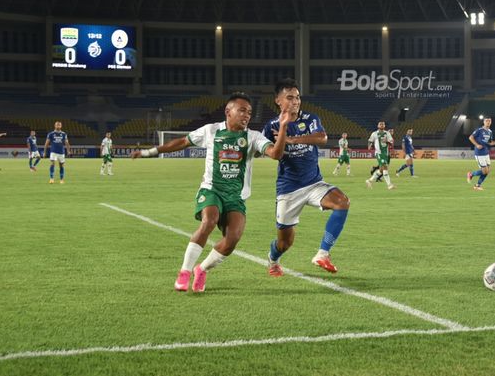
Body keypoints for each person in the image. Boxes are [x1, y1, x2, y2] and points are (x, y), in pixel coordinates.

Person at [133, 92, 290, 293]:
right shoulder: (211, 131)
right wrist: (149, 152)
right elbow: (182, 142)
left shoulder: (253, 137)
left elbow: (276, 154)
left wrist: (283, 126)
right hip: (211, 189)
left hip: (236, 196)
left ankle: (202, 269)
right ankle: (184, 271)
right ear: (228, 111)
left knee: (232, 240)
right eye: (242, 110)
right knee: (209, 220)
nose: (246, 116)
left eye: (249, 112)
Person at [263, 78, 350, 276]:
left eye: (298, 97)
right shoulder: (270, 127)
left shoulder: (310, 119)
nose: (295, 101)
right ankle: (273, 258)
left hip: (314, 183)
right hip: (288, 189)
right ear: (278, 100)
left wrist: (292, 139)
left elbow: (322, 138)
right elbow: (266, 151)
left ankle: (322, 254)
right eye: (290, 98)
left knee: (342, 202)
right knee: (285, 243)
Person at [467, 116, 495, 191]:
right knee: (484, 171)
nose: (488, 122)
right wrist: (477, 145)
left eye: (489, 121)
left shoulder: (490, 132)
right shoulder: (479, 130)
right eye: (486, 121)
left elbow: (490, 143)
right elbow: (470, 137)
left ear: (491, 122)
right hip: (479, 153)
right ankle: (471, 174)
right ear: (484, 122)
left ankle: (477, 185)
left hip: (486, 153)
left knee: (487, 171)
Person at [366, 121, 395, 190]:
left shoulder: (387, 133)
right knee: (385, 167)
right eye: (380, 124)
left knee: (381, 170)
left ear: (384, 126)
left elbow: (391, 143)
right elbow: (370, 141)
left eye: (383, 124)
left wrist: (387, 141)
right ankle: (389, 185)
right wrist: (369, 146)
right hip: (379, 153)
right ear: (378, 125)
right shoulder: (374, 134)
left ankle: (369, 181)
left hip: (386, 153)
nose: (381, 125)